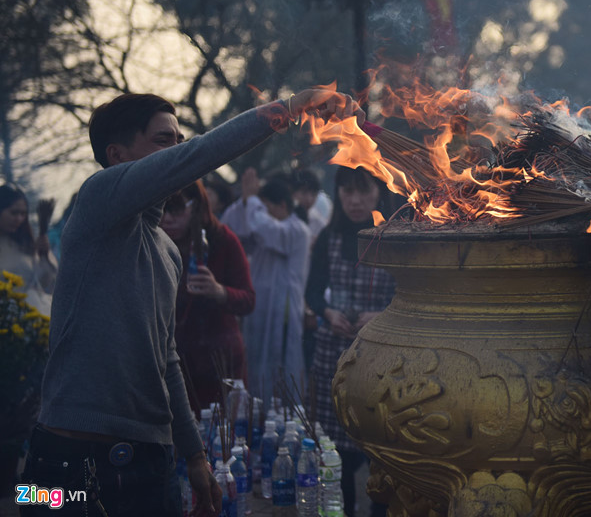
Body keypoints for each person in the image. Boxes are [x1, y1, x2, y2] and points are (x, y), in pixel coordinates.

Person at [22, 89, 363, 517]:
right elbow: (199, 156)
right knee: (29, 502)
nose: (179, 151)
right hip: (62, 467)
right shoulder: (96, 199)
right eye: (165, 141)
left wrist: (195, 456)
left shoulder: (166, 249)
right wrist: (292, 107)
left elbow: (166, 359)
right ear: (116, 155)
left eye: (180, 140)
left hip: (150, 464)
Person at [305, 166, 394, 517]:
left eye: (363, 191)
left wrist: (382, 316)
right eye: (346, 192)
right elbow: (313, 291)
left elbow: (409, 294)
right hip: (334, 354)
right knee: (335, 457)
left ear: (379, 192)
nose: (354, 201)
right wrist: (327, 313)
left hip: (381, 359)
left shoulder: (394, 235)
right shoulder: (330, 238)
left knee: (382, 457)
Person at [160, 180, 256, 414]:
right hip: (174, 362)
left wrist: (219, 291)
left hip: (221, 360)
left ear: (195, 206)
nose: (168, 218)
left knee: (222, 437)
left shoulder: (223, 240)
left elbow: (248, 300)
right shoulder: (156, 243)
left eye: (177, 209)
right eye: (162, 210)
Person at [221, 169, 311, 403]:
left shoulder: (296, 230)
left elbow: (268, 229)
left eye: (265, 207)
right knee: (255, 365)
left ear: (281, 205)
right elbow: (231, 227)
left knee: (281, 371)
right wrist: (244, 200)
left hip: (283, 314)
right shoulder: (263, 229)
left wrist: (251, 200)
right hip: (260, 311)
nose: (259, 214)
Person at [0, 184, 57, 316]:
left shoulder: (27, 244)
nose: (19, 219)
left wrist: (43, 257)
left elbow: (47, 284)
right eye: (14, 213)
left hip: (31, 316)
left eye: (23, 214)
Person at [290, 167, 333, 244]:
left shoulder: (318, 223)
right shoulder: (282, 216)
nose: (309, 199)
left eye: (313, 194)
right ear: (293, 191)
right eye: (304, 192)